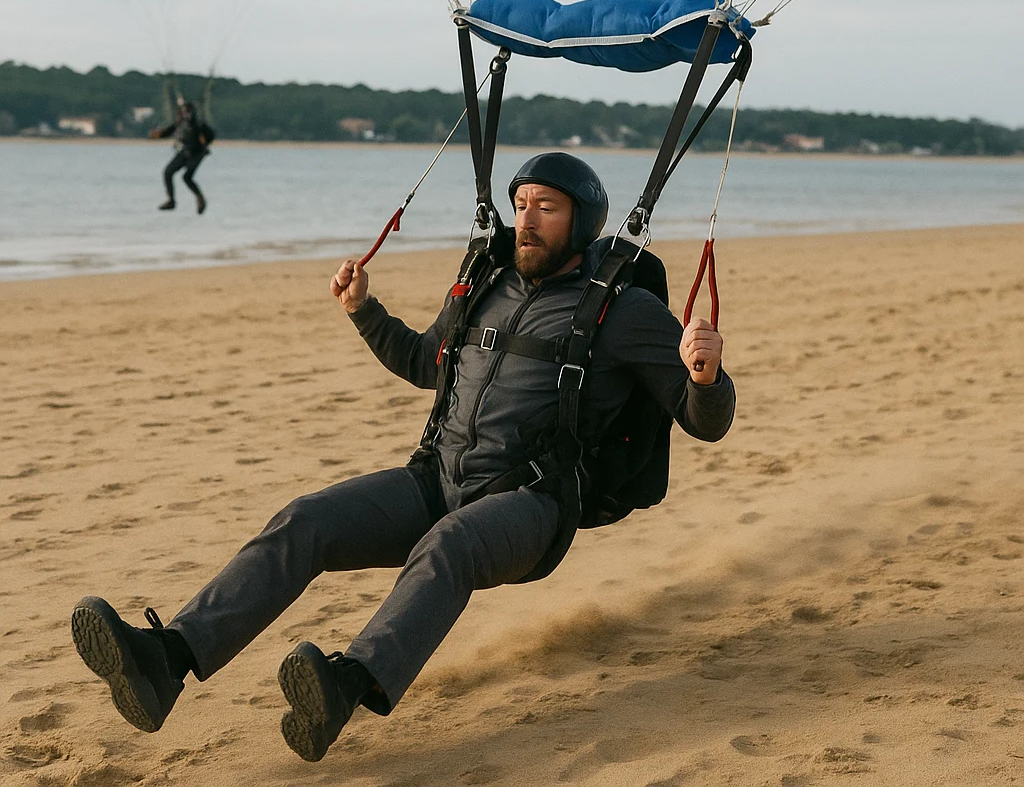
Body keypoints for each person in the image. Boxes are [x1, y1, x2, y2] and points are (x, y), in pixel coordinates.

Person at [71, 152, 735, 763]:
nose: (526, 220)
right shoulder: (485, 285)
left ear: (582, 222)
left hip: (532, 503)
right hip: (437, 478)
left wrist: (705, 377)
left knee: (449, 544)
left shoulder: (625, 310)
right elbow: (426, 362)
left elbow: (705, 421)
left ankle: (349, 683)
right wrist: (364, 310)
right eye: (522, 203)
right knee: (307, 520)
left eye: (546, 208)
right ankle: (167, 659)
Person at [149, 97, 209, 214]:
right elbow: (167, 132)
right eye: (181, 112)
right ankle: (171, 200)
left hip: (196, 153)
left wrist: (205, 144)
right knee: (168, 172)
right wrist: (156, 134)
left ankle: (200, 198)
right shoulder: (179, 124)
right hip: (184, 152)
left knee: (187, 177)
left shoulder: (195, 124)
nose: (181, 115)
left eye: (184, 112)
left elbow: (202, 129)